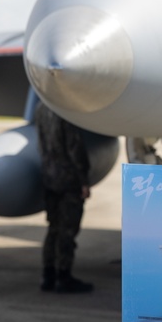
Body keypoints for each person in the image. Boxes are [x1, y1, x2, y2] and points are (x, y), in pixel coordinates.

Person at [34, 101, 94, 293]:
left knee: (53, 228)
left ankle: (48, 276)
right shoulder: (64, 109)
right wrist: (84, 180)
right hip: (68, 181)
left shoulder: (40, 109)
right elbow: (74, 148)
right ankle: (64, 276)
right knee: (67, 231)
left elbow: (42, 144)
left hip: (49, 178)